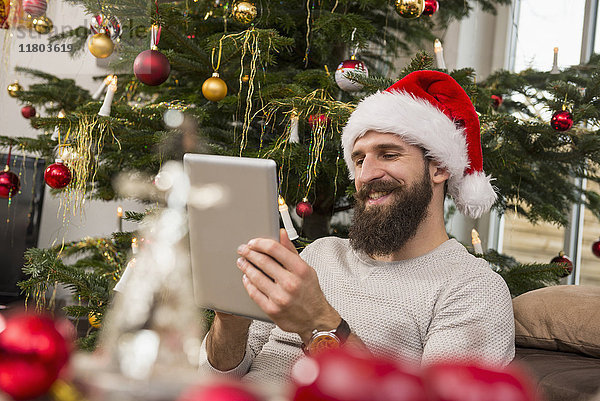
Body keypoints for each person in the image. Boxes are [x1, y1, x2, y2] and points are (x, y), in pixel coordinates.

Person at [198, 70, 515, 384]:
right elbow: (218, 377)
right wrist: (231, 323)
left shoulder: (472, 288)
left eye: (389, 155)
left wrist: (319, 322)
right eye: (359, 160)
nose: (365, 175)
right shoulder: (321, 253)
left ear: (440, 168)